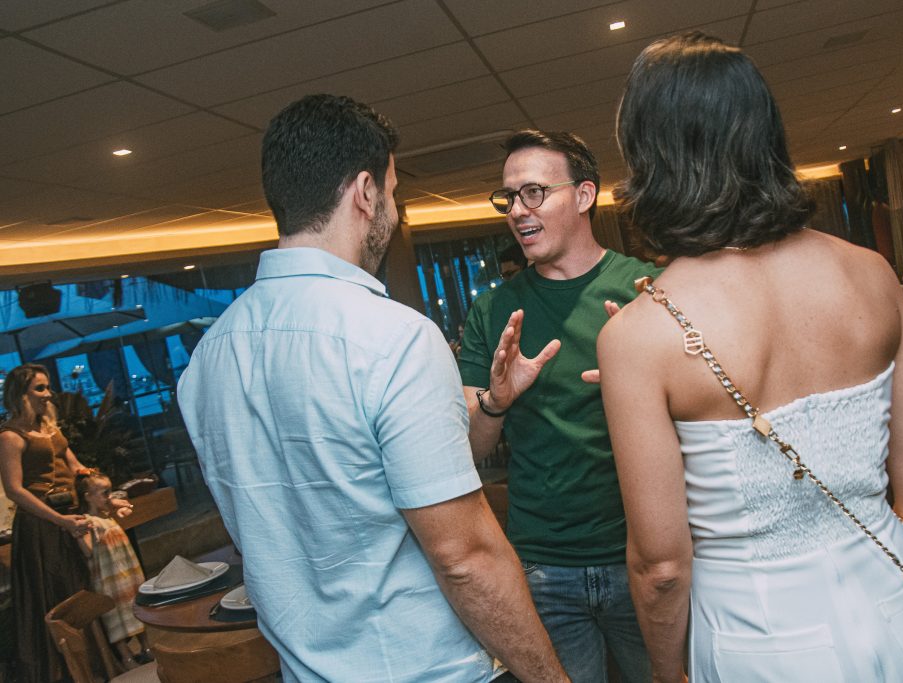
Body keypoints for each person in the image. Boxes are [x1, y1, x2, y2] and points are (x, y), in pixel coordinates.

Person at [599, 32, 903, 683]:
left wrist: (666, 671)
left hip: (754, 637)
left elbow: (662, 566)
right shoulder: (872, 273)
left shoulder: (640, 335)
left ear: (651, 158)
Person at [177, 94, 566, 683]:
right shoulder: (393, 338)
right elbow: (465, 558)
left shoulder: (207, 358)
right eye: (391, 192)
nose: (394, 209)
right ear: (365, 191)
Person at [459, 130, 657, 682]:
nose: (517, 211)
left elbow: (709, 420)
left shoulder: (648, 289)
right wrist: (496, 403)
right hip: (544, 566)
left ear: (585, 195)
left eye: (534, 193)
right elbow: (471, 449)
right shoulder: (494, 311)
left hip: (643, 553)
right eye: (508, 198)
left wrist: (645, 384)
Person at [0, 364, 90, 683]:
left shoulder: (50, 428)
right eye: (39, 388)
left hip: (69, 517)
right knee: (53, 596)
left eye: (48, 387)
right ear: (20, 394)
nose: (48, 394)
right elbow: (14, 489)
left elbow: (75, 466)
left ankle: (92, 665)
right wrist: (59, 520)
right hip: (40, 526)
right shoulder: (10, 436)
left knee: (79, 591)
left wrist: (100, 488)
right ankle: (62, 672)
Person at [74, 470, 150, 670]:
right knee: (115, 614)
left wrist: (123, 507)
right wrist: (79, 536)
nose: (109, 497)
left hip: (126, 572)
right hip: (109, 578)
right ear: (88, 497)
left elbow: (124, 511)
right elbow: (89, 552)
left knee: (135, 604)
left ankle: (146, 645)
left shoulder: (106, 516)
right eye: (104, 493)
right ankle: (126, 656)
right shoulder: (89, 521)